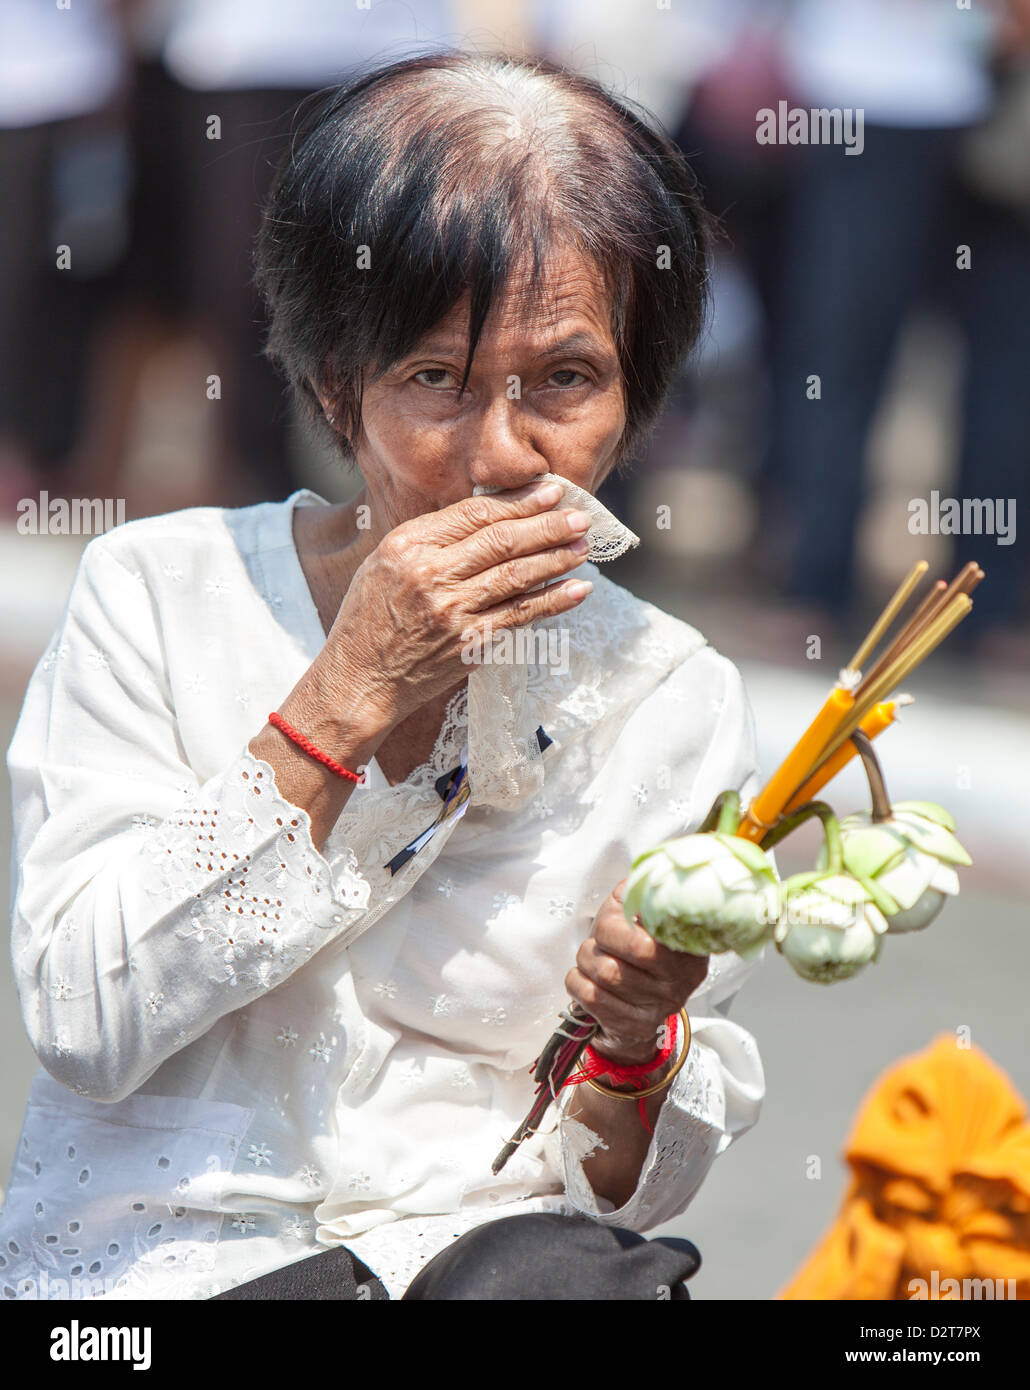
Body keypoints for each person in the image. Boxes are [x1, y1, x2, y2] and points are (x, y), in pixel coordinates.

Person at [0, 52, 765, 1301]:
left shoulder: (674, 696)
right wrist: (343, 699)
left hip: (485, 1260)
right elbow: (86, 1024)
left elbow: (628, 1192)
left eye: (566, 379)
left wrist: (635, 1041)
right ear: (331, 389)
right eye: (434, 379)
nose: (505, 455)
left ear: (638, 397)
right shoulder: (160, 594)